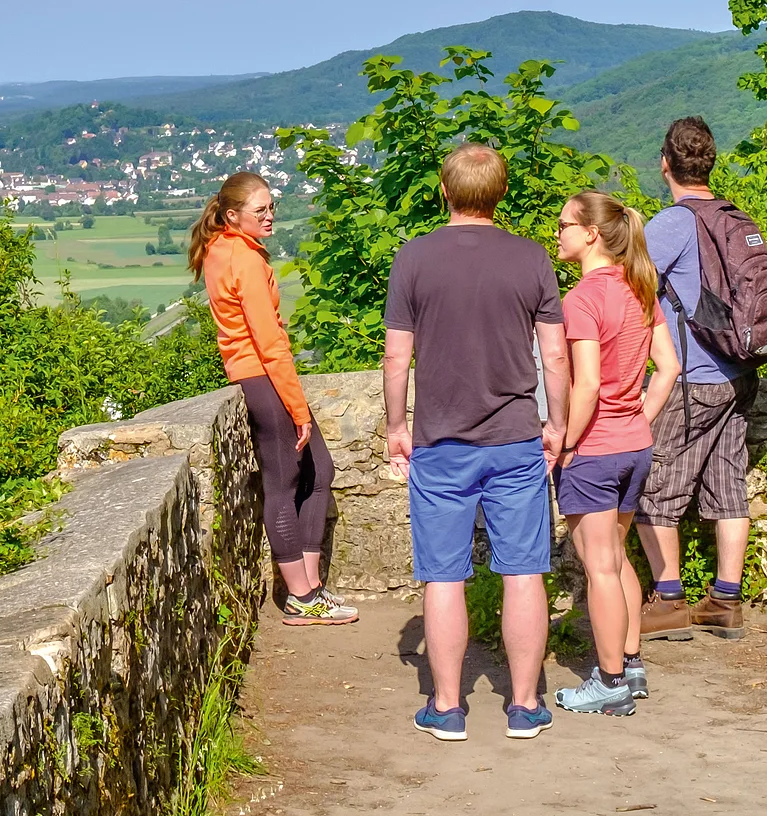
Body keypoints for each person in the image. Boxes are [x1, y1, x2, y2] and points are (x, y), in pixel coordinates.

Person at [383, 143, 570, 742]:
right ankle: (523, 705)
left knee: (443, 576)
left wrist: (395, 425)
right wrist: (558, 422)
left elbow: (396, 355)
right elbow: (555, 351)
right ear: (501, 193)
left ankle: (446, 706)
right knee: (523, 572)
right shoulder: (533, 259)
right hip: (515, 438)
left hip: (440, 442)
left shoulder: (413, 258)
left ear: (444, 192)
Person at [191, 172, 357, 626]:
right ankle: (301, 598)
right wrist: (299, 409)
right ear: (232, 215)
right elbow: (270, 342)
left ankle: (309, 589)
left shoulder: (222, 249)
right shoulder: (242, 258)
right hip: (262, 377)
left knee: (318, 469)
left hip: (255, 376)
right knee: (283, 484)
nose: (270, 215)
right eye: (259, 209)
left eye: (271, 206)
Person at [550, 190, 681, 715]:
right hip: (634, 447)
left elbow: (585, 387)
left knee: (599, 566)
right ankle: (631, 665)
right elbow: (667, 368)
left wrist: (564, 445)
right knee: (618, 556)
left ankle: (608, 684)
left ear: (590, 234)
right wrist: (639, 420)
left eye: (563, 225)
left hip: (596, 449)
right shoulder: (642, 289)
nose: (556, 234)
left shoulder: (581, 300)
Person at [638, 116, 756, 640]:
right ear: (709, 162)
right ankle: (724, 603)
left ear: (665, 163)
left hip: (693, 380)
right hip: (738, 373)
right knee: (728, 488)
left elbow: (627, 286)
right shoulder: (734, 218)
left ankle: (669, 602)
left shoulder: (671, 223)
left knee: (652, 492)